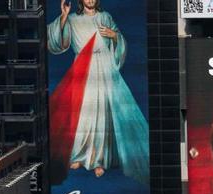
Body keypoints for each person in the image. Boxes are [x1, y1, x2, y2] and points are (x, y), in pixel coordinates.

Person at [47, 0, 148, 183]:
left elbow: (120, 41)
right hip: (83, 69)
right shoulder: (72, 19)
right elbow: (59, 43)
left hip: (104, 67)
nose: (90, 0)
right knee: (84, 112)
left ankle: (100, 160)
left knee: (102, 113)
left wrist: (114, 36)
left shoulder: (105, 17)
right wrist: (63, 16)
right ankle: (80, 155)